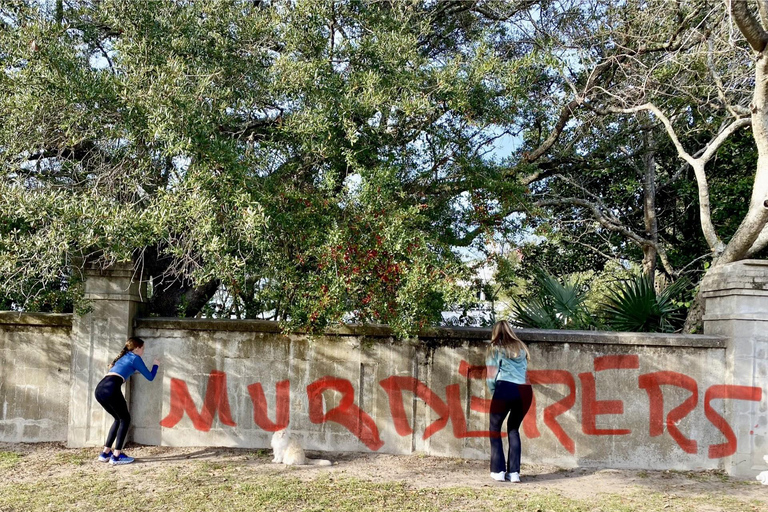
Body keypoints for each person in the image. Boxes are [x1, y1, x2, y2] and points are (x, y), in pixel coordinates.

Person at [94, 336, 160, 465]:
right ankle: (117, 456)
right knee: (125, 419)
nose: (143, 351)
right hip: (111, 389)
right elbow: (150, 377)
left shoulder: (123, 357)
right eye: (143, 348)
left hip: (100, 389)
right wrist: (156, 365)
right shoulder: (135, 358)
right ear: (137, 348)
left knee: (118, 419)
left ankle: (105, 453)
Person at [486, 320, 532, 483]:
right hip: (525, 391)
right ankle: (514, 473)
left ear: (496, 332)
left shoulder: (495, 348)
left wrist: (495, 393)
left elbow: (491, 377)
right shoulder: (521, 347)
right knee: (513, 429)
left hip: (505, 388)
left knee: (494, 428)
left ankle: (498, 471)